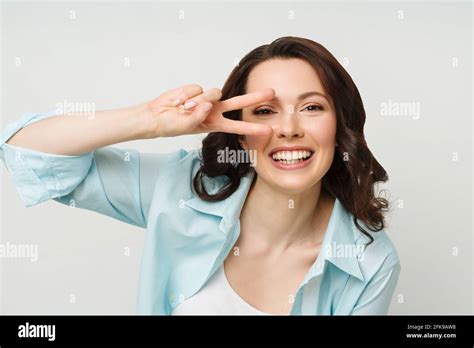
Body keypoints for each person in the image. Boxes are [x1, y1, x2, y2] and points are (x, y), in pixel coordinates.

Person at [0, 36, 400, 315]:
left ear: (340, 126)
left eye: (312, 108)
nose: (288, 129)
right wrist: (148, 122)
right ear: (239, 135)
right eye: (265, 111)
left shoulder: (369, 263)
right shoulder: (179, 188)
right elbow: (27, 152)